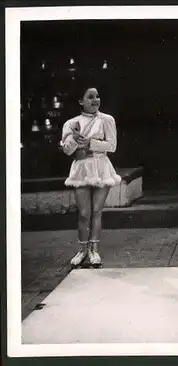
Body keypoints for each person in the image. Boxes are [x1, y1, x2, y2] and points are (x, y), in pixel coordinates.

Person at [60, 86, 122, 269]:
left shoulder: (107, 120)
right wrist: (73, 138)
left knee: (96, 211)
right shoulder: (71, 123)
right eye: (90, 97)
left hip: (101, 167)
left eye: (97, 96)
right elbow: (67, 150)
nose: (95, 100)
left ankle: (94, 250)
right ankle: (81, 250)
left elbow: (112, 146)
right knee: (84, 213)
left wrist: (90, 143)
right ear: (81, 101)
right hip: (82, 169)